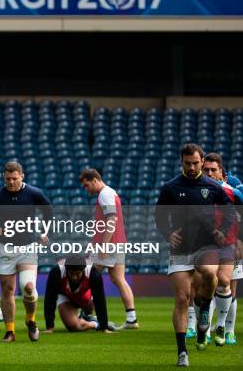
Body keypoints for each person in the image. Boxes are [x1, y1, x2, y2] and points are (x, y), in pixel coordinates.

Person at [155, 143, 235, 366]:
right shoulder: (170, 187)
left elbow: (230, 210)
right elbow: (158, 215)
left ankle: (205, 308)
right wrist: (168, 234)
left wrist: (223, 231)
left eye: (196, 163)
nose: (192, 167)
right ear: (182, 162)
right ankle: (182, 352)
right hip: (180, 249)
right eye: (187, 163)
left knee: (210, 273)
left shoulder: (212, 186)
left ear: (201, 162)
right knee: (182, 299)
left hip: (206, 246)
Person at [0, 161, 52, 343]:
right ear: (3, 177)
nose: (11, 182)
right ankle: (10, 332)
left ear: (22, 176)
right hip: (4, 247)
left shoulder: (34, 193)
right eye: (7, 179)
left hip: (28, 245)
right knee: (7, 290)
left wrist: (45, 231)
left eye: (14, 178)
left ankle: (31, 321)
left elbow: (49, 213)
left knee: (28, 287)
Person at [79, 168, 138, 330]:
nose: (86, 189)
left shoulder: (104, 194)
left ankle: (87, 315)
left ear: (95, 180)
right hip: (117, 243)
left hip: (109, 245)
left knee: (89, 277)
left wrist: (103, 245)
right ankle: (132, 318)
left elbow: (111, 220)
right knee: (119, 279)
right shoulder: (110, 193)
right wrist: (93, 244)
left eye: (86, 185)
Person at [200, 153, 242, 346]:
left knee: (226, 282)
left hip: (230, 244)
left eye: (213, 170)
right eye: (206, 169)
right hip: (204, 245)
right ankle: (203, 327)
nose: (209, 173)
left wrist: (241, 241)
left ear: (221, 173)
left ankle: (224, 327)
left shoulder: (234, 193)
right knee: (203, 285)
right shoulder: (196, 191)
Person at [43, 255, 116, 333]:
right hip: (65, 295)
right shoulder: (56, 272)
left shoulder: (93, 273)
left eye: (77, 274)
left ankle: (87, 316)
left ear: (83, 270)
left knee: (91, 306)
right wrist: (49, 327)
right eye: (71, 273)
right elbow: (50, 298)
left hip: (84, 294)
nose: (74, 277)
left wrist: (104, 328)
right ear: (67, 270)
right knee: (73, 326)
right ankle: (96, 324)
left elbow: (100, 300)